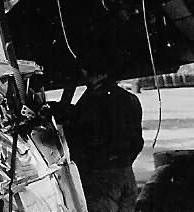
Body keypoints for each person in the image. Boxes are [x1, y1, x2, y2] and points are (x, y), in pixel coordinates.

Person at [58, 66, 143, 212]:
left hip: (101, 178)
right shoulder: (131, 99)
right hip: (126, 173)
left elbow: (77, 139)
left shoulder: (91, 102)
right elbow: (138, 142)